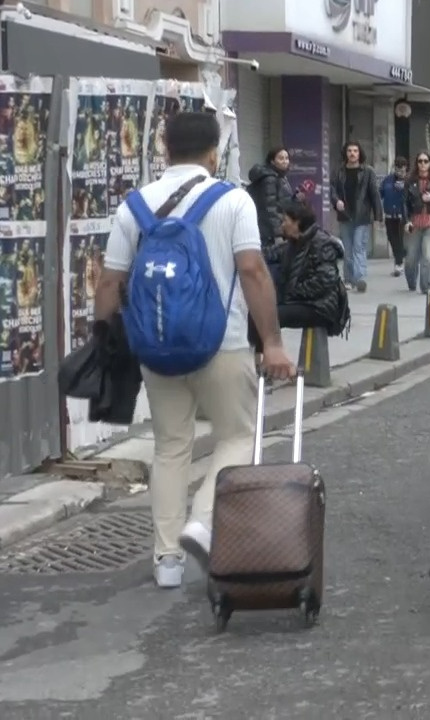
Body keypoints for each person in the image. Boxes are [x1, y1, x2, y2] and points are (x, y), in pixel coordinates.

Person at [90, 111, 294, 588]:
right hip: (221, 344)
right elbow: (253, 271)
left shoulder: (134, 206)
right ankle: (202, 521)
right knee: (238, 437)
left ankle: (166, 561)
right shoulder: (233, 200)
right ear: (213, 153)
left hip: (156, 347)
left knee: (171, 448)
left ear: (163, 151)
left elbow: (110, 282)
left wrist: (103, 339)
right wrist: (273, 342)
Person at [251, 202, 349, 349]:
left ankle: (269, 359)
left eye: (285, 221)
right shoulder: (293, 243)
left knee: (269, 316)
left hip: (320, 306)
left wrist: (292, 293)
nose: (282, 225)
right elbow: (270, 253)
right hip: (301, 301)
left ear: (297, 222)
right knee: (257, 313)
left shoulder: (321, 244)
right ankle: (259, 360)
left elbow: (325, 280)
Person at [330, 141, 382, 292]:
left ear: (360, 154)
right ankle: (348, 280)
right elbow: (332, 190)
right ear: (345, 153)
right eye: (349, 151)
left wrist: (378, 216)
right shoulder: (339, 171)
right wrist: (336, 201)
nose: (352, 153)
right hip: (345, 215)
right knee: (347, 250)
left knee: (358, 247)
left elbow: (374, 194)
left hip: (362, 216)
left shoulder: (368, 172)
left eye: (355, 151)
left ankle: (359, 279)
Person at [403, 151, 430, 291]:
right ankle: (411, 283)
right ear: (416, 163)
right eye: (420, 161)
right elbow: (404, 203)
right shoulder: (410, 181)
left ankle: (426, 286)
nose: (422, 164)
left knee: (427, 257)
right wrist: (406, 220)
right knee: (410, 259)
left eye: (425, 161)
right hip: (414, 222)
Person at [246, 146, 295, 246]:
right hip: (269, 234)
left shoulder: (280, 177)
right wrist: (278, 235)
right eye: (281, 158)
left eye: (287, 158)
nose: (285, 161)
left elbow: (281, 202)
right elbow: (270, 208)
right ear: (272, 161)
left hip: (274, 231)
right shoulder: (270, 179)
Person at [380, 157, 410, 277]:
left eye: (402, 170)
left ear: (406, 169)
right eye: (397, 170)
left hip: (402, 216)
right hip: (389, 215)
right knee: (391, 238)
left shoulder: (409, 181)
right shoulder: (387, 180)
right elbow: (380, 193)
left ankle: (399, 264)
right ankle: (402, 257)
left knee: (399, 239)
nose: (400, 173)